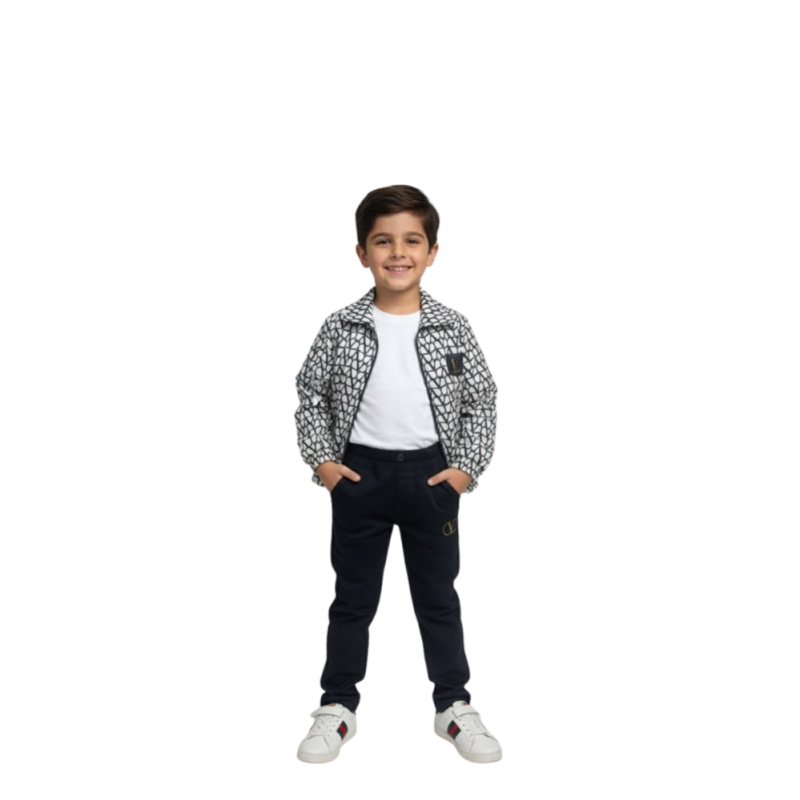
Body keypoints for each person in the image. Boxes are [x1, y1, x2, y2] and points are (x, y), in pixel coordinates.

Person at [293, 185, 502, 764]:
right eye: (383, 241)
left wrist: (464, 470)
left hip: (432, 480)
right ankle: (337, 705)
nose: (398, 252)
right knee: (352, 599)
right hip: (358, 478)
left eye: (412, 240)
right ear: (362, 252)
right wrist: (324, 464)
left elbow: (481, 399)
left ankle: (453, 705)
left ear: (432, 252)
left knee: (438, 598)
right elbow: (311, 394)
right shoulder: (342, 326)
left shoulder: (451, 326)